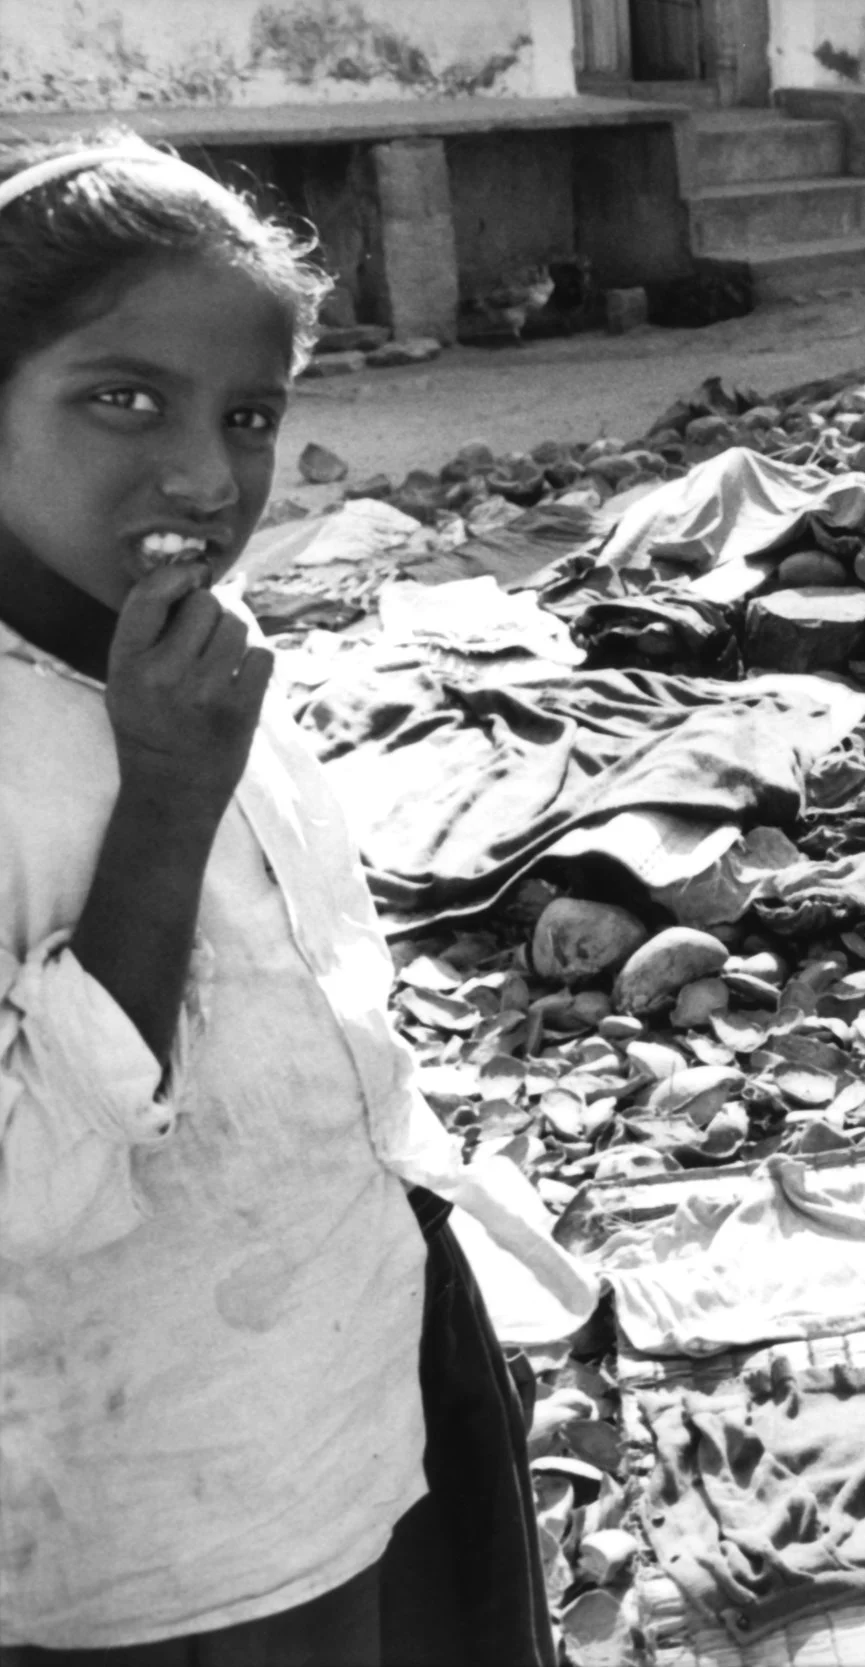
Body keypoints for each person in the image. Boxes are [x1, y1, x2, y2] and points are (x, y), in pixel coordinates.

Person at [0, 135, 582, 1666]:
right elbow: (24, 1191)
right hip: (151, 1513)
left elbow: (320, 990)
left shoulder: (194, 638)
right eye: (122, 396)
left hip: (351, 1377)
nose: (205, 474)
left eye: (248, 415)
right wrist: (166, 802)